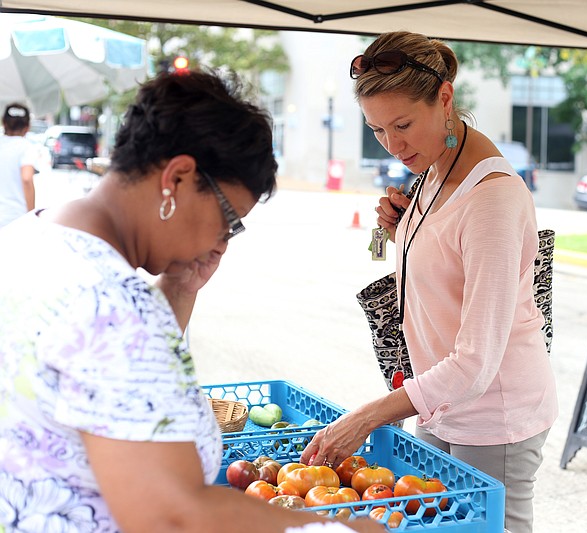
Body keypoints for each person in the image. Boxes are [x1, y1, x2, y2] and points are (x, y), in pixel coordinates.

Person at [0, 70, 382, 533]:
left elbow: (111, 384)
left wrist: (179, 290)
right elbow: (172, 515)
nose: (223, 239)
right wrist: (340, 529)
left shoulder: (28, 237)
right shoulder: (114, 306)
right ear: (177, 178)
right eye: (229, 218)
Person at [300, 31, 558, 532]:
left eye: (402, 124)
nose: (393, 145)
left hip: (493, 415)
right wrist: (387, 234)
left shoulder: (492, 199)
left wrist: (369, 415)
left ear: (444, 99)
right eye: (377, 130)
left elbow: (477, 362)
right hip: (441, 402)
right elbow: (392, 264)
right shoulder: (432, 170)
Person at [0, 103, 37, 227]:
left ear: (4, 122)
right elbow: (26, 178)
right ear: (27, 126)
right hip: (15, 217)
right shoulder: (25, 147)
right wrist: (32, 215)